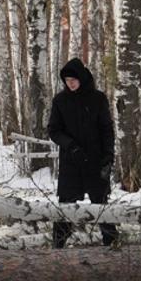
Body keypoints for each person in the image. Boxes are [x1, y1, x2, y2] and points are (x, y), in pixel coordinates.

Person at [47, 58, 118, 248]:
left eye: (74, 79)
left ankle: (112, 244)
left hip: (96, 160)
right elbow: (54, 130)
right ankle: (58, 246)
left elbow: (106, 129)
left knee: (101, 205)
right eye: (67, 80)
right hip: (71, 161)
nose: (70, 83)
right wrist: (70, 146)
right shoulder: (60, 101)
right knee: (65, 207)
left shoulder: (98, 99)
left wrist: (109, 156)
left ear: (82, 78)